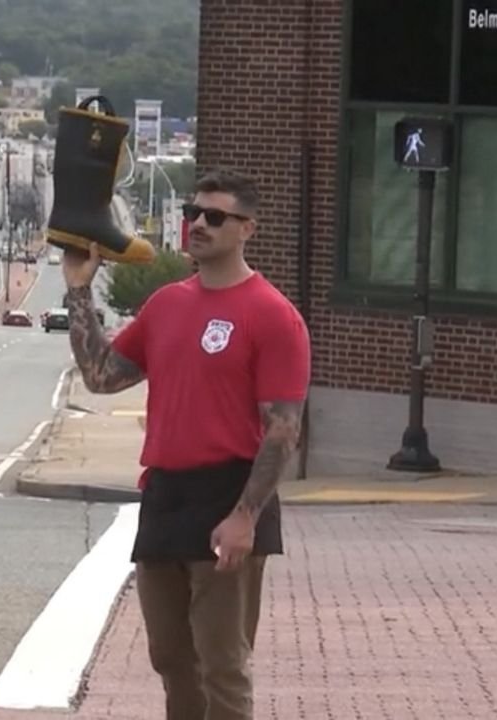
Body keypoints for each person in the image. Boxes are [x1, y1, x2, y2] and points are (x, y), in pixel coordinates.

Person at [61, 169, 311, 720]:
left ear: (248, 229)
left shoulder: (272, 315)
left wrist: (246, 515)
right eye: (192, 213)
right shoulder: (167, 305)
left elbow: (283, 429)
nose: (198, 224)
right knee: (171, 658)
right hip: (165, 496)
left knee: (220, 664)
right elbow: (102, 376)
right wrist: (79, 289)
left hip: (229, 494)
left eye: (215, 217)